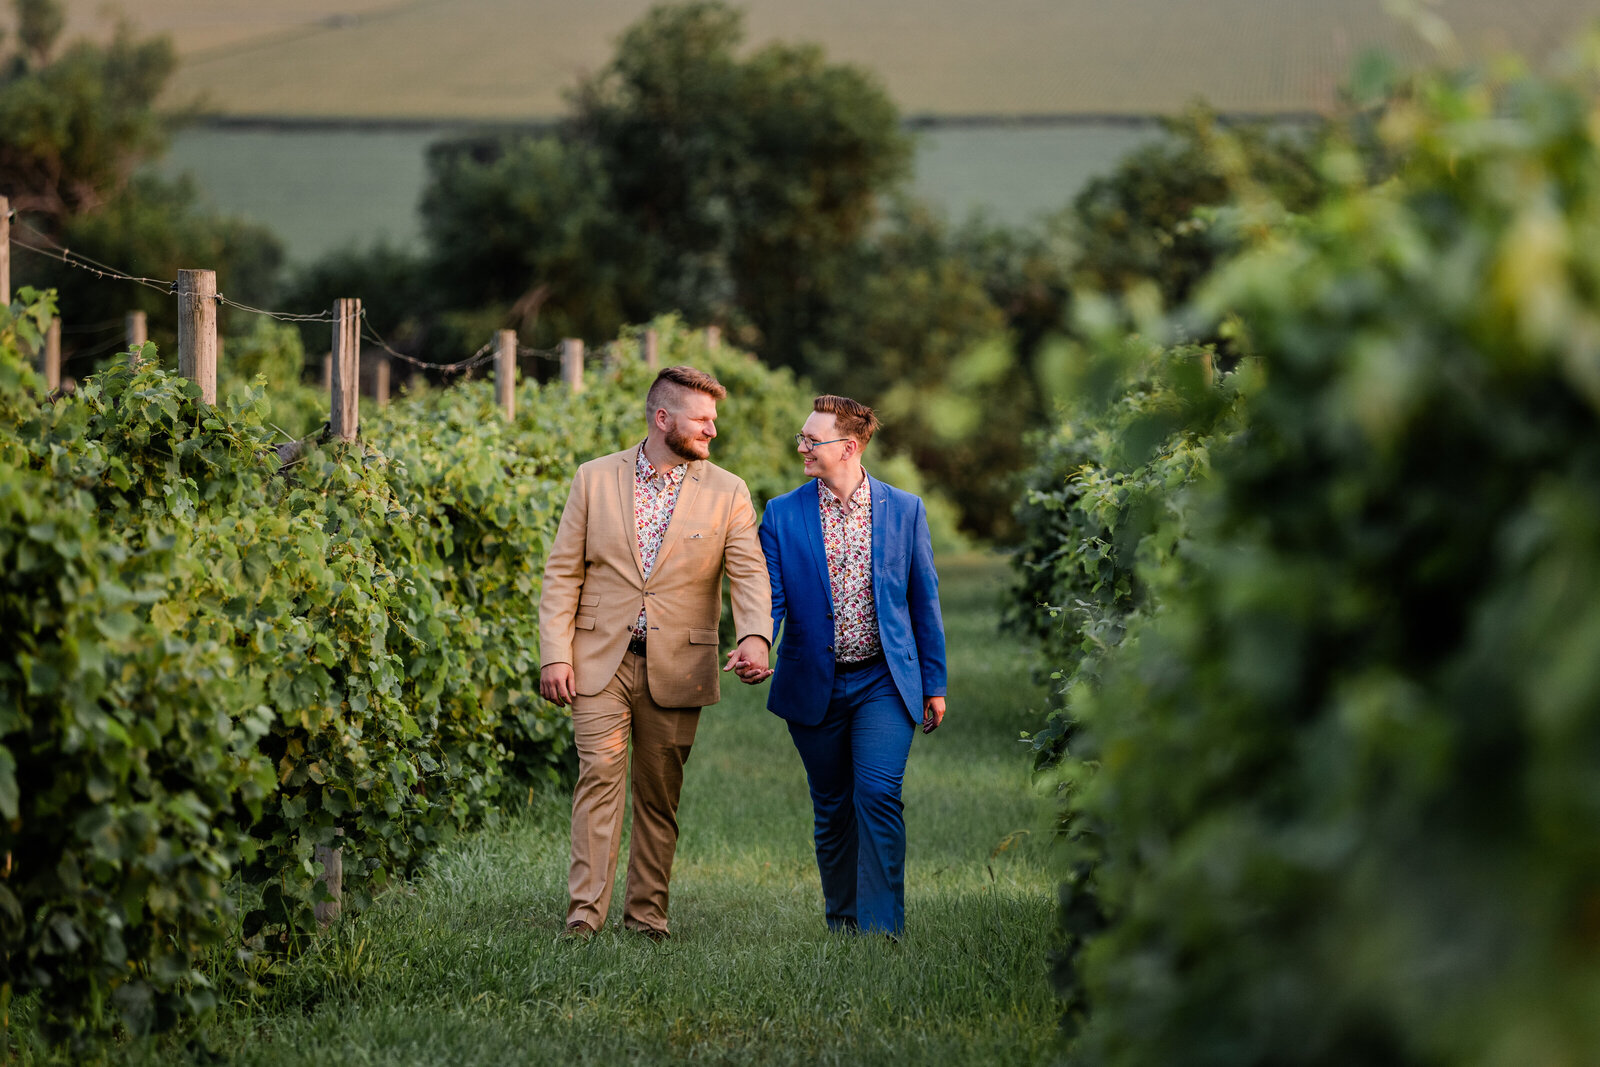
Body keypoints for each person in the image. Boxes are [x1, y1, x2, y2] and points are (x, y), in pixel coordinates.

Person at [538, 365, 773, 942]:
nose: (712, 431)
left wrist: (754, 638)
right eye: (703, 419)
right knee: (598, 776)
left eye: (714, 420)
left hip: (679, 663)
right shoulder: (593, 479)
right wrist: (554, 654)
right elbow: (563, 571)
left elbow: (748, 575)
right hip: (599, 657)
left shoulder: (729, 491)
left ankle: (647, 916)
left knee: (659, 792)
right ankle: (583, 917)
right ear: (663, 419)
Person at [757, 394, 947, 938]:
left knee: (879, 794)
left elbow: (922, 600)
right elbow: (771, 599)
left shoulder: (905, 510)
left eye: (811, 440)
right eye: (802, 438)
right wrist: (756, 643)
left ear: (850, 446)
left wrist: (933, 682)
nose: (802, 448)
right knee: (833, 805)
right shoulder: (782, 513)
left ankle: (882, 929)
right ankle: (842, 921)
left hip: (883, 680)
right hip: (813, 682)